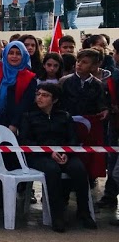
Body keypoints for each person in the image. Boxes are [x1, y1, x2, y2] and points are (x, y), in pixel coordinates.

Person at [18, 84, 96, 232]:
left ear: (54, 100)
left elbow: (73, 139)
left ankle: (84, 212)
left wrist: (67, 153)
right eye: (38, 94)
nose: (40, 98)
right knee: (52, 171)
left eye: (45, 95)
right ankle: (57, 216)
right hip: (38, 156)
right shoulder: (28, 116)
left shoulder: (65, 116)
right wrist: (49, 153)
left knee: (78, 169)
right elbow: (25, 141)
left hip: (64, 154)